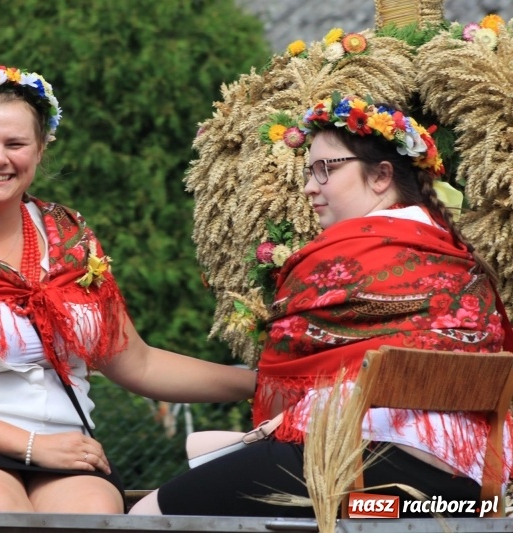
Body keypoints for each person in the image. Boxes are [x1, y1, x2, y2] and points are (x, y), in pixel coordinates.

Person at [0, 65, 255, 514]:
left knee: (92, 513)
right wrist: (31, 445)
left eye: (16, 144)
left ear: (41, 148)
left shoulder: (71, 235)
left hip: (63, 447)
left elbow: (136, 362)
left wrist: (260, 383)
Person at [130, 94, 513, 517]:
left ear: (381, 175)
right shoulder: (461, 259)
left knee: (148, 514)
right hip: (465, 493)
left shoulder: (344, 253)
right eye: (309, 171)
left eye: (325, 169)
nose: (311, 186)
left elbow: (286, 373)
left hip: (363, 473)